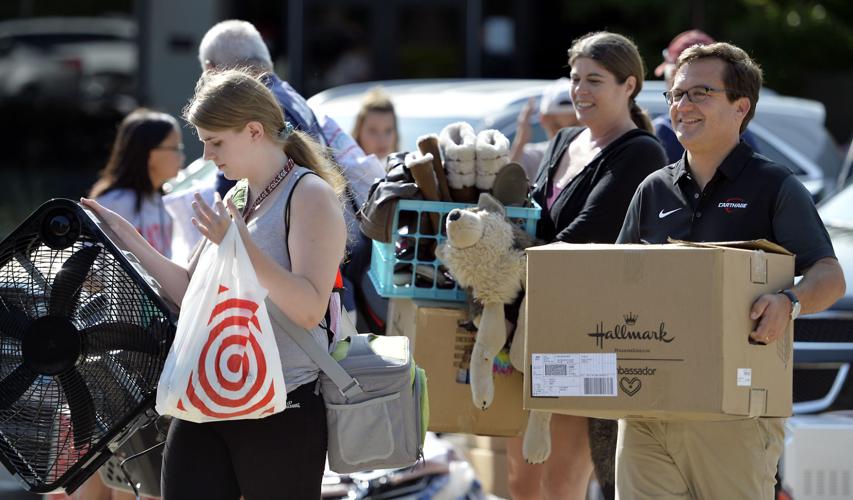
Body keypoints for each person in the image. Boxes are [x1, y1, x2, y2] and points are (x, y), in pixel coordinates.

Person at [82, 68, 347, 499]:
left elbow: (310, 308)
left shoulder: (308, 194)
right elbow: (190, 290)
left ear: (254, 131)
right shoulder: (237, 197)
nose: (205, 155)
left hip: (283, 403)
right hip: (208, 392)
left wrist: (240, 245)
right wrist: (123, 236)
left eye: (215, 141)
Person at [616, 42, 846, 499]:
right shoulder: (653, 190)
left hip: (734, 414)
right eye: (676, 95)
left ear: (741, 107)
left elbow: (830, 276)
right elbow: (617, 279)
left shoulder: (773, 185)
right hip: (647, 410)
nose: (683, 105)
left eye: (700, 92)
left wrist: (789, 303)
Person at [514, 32, 667, 500]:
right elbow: (531, 216)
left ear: (630, 86)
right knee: (522, 482)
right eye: (575, 78)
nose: (580, 90)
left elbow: (584, 234)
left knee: (560, 481)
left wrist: (509, 259)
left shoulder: (641, 152)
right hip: (530, 322)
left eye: (594, 80)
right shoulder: (561, 141)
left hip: (587, 335)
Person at [198, 20, 327, 199]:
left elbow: (226, 197)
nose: (209, 155)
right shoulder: (289, 95)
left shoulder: (259, 105)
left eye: (218, 142)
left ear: (211, 70)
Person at [652, 29, 759, 163]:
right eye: (678, 93)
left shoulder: (663, 132)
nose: (682, 105)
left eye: (699, 93)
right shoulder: (741, 134)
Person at [89, 108, 183, 258]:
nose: (181, 156)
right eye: (175, 148)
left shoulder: (164, 200)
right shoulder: (113, 203)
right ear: (149, 153)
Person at [510, 77, 580, 182]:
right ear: (543, 120)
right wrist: (521, 140)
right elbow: (506, 183)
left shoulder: (592, 155)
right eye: (557, 126)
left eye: (573, 126)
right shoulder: (535, 157)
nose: (565, 135)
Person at [351, 87, 399, 162]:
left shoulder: (409, 169)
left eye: (388, 130)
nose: (382, 140)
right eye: (373, 131)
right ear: (358, 131)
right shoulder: (341, 172)